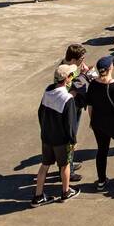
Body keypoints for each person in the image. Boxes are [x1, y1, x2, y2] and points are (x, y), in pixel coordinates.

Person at [32, 59, 87, 205]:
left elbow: (40, 112)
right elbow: (70, 124)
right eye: (71, 75)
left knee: (44, 165)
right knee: (65, 165)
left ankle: (38, 196)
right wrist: (72, 141)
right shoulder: (67, 99)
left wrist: (44, 130)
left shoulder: (48, 91)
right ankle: (66, 192)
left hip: (47, 137)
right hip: (61, 140)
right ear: (67, 79)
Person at [86, 56, 114, 191]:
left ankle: (101, 181)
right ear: (111, 68)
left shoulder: (93, 84)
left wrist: (92, 120)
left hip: (98, 122)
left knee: (102, 150)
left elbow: (90, 105)